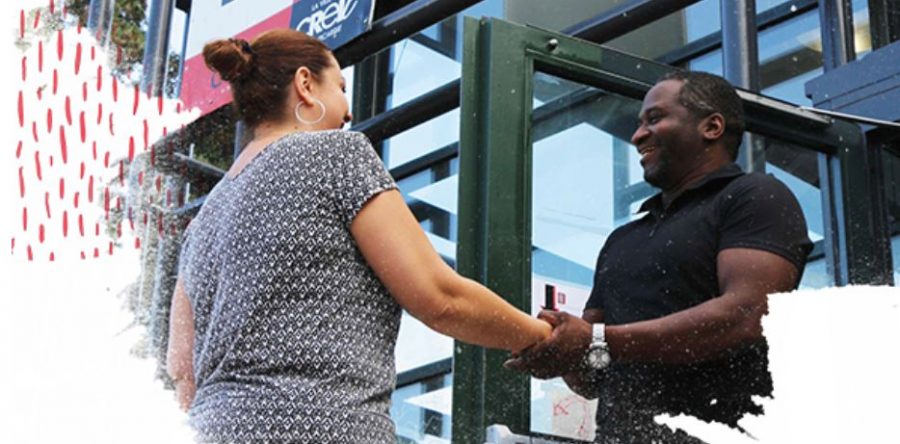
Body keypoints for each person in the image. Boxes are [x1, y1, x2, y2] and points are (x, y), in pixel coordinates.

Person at [165, 29, 551, 443]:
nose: (348, 112)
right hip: (324, 427)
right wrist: (543, 338)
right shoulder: (337, 155)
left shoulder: (203, 221)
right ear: (305, 85)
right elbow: (440, 298)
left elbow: (181, 371)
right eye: (342, 88)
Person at [505, 71, 813, 444]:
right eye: (639, 124)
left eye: (654, 118)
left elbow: (747, 316)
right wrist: (558, 352)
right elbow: (593, 375)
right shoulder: (623, 240)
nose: (637, 136)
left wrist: (596, 340)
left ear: (712, 127)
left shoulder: (753, 196)